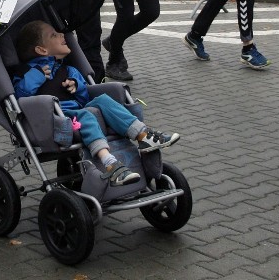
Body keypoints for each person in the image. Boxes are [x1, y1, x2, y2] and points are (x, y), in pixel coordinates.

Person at [13, 20, 180, 186]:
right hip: (54, 121)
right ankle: (109, 163)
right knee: (86, 114)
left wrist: (77, 86)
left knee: (102, 100)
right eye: (54, 35)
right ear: (42, 50)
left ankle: (143, 135)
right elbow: (20, 95)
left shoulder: (69, 70)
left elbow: (84, 98)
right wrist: (37, 76)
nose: (62, 35)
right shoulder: (27, 72)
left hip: (76, 114)